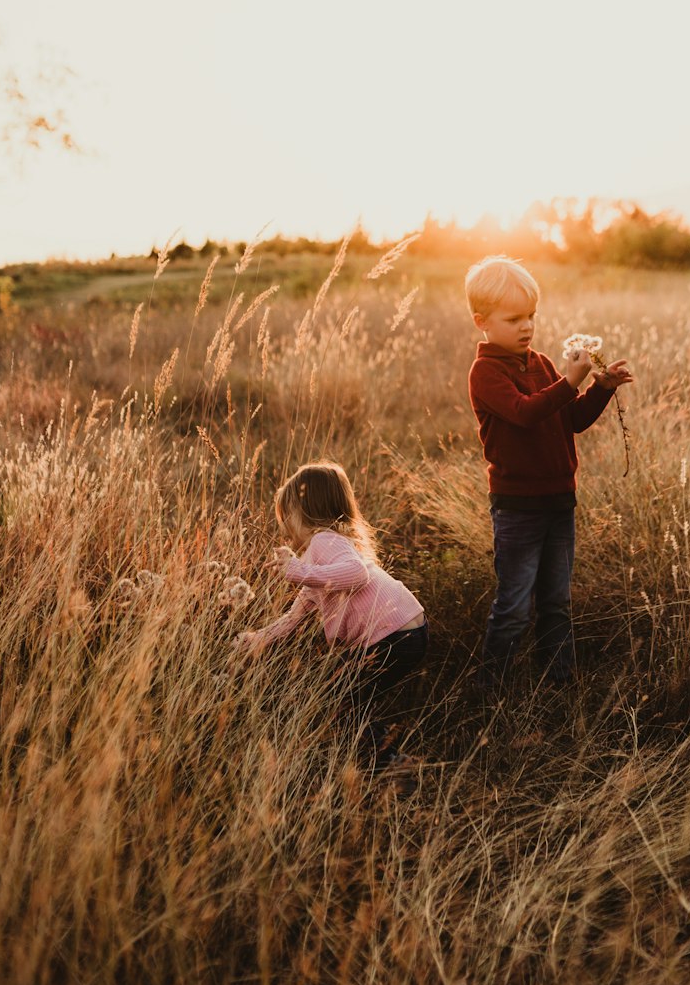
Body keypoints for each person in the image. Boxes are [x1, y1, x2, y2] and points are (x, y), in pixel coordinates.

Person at [466, 256, 633, 693]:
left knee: (556, 602)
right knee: (515, 605)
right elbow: (525, 414)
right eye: (514, 318)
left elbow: (568, 419)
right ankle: (493, 688)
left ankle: (558, 683)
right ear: (482, 321)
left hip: (560, 501)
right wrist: (570, 380)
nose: (526, 326)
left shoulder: (539, 362)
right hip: (518, 508)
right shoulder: (486, 372)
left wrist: (599, 388)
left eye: (531, 316)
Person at [234, 461, 427, 766]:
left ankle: (389, 762)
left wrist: (297, 570)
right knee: (345, 697)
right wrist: (258, 638)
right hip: (407, 630)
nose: (283, 527)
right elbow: (294, 617)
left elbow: (357, 574)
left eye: (287, 517)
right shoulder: (326, 554)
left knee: (338, 697)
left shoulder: (323, 542)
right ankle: (384, 754)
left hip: (393, 635)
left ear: (307, 513)